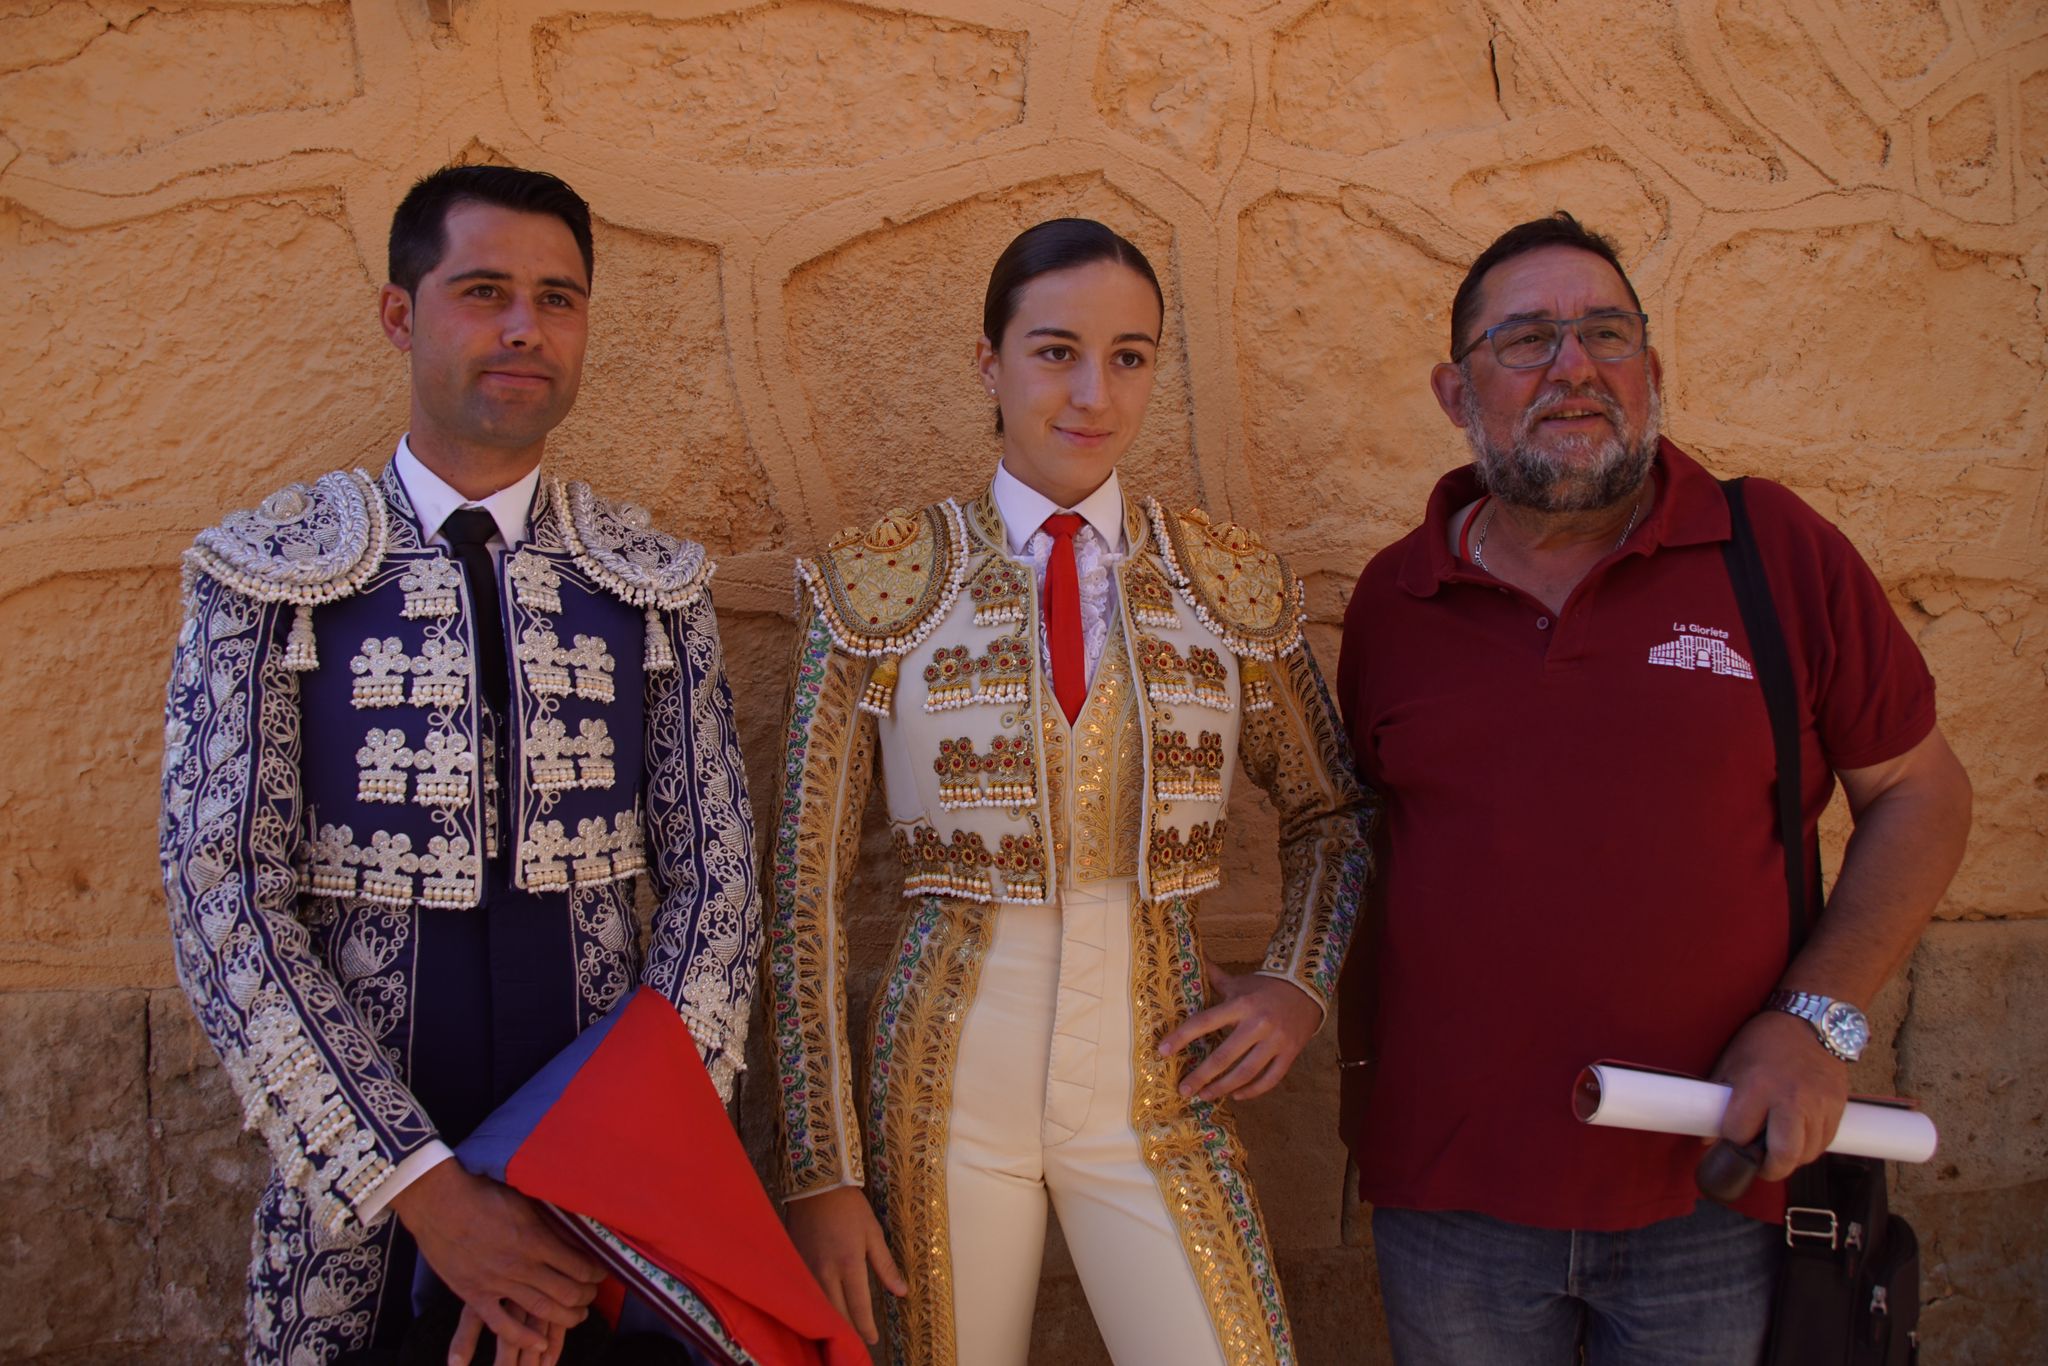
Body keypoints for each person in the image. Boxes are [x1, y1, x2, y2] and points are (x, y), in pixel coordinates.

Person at [1334, 211, 1972, 1364]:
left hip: (1718, 1190)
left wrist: (1814, 1020)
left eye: (1605, 332)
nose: (1572, 367)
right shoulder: (1393, 600)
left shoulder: (1770, 551)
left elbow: (1920, 792)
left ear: (1652, 369)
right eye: (1523, 339)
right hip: (1450, 1208)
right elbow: (1372, 851)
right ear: (1452, 391)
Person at [158, 164, 761, 1365]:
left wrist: (598, 1176)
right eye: (484, 290)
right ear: (401, 314)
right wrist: (427, 1192)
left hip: (602, 1213)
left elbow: (718, 885)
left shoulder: (651, 582)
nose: (525, 327)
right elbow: (224, 895)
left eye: (558, 297)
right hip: (365, 1206)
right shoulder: (262, 573)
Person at [767, 218, 1373, 1365]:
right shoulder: (877, 583)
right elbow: (801, 892)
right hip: (939, 1091)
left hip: (1158, 1083)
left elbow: (1331, 811)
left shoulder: (1223, 580)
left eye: (1130, 355)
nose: (1093, 391)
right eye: (1054, 351)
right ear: (987, 363)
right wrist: (821, 1169)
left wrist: (1295, 980)